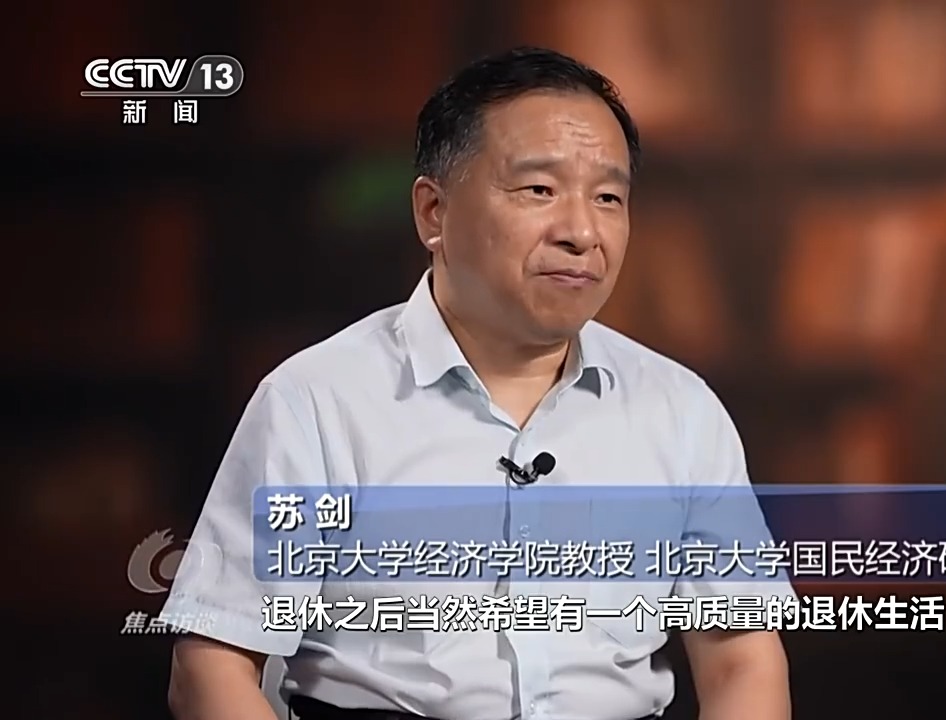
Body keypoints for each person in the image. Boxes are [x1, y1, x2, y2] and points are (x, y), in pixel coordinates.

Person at [163, 46, 793, 720]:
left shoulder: (681, 410)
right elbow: (212, 667)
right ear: (433, 213)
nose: (582, 232)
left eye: (608, 197)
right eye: (539, 190)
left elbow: (742, 662)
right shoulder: (316, 402)